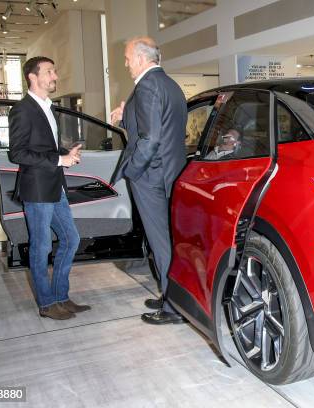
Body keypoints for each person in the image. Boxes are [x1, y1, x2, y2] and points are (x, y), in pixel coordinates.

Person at [110, 37, 187, 325]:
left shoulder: (147, 86)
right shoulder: (168, 84)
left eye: (128, 57)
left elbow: (151, 138)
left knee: (161, 244)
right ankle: (171, 294)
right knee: (167, 242)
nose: (126, 62)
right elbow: (162, 128)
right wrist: (125, 117)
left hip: (152, 177)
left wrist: (134, 171)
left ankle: (173, 308)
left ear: (141, 58)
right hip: (168, 174)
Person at [8, 56, 91, 320]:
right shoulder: (22, 109)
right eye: (50, 72)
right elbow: (18, 153)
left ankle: (61, 297)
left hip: (55, 187)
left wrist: (66, 153)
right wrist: (59, 159)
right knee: (41, 246)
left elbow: (44, 148)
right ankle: (46, 304)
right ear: (33, 77)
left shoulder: (48, 108)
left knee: (71, 239)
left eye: (54, 71)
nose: (55, 76)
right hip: (38, 189)